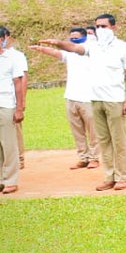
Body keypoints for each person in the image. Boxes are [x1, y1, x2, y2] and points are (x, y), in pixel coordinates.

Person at [41, 14, 126, 190]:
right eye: (97, 26)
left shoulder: (124, 47)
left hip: (114, 100)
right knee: (103, 140)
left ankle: (123, 176)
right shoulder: (93, 46)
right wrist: (58, 43)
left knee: (118, 140)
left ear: (114, 27)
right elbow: (74, 48)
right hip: (95, 99)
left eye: (104, 26)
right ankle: (109, 176)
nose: (100, 30)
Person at [30, 27, 99, 170]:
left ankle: (94, 157)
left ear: (85, 37)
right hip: (71, 96)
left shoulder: (91, 49)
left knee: (92, 130)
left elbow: (70, 47)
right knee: (77, 130)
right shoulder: (70, 54)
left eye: (77, 37)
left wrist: (57, 42)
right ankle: (83, 157)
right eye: (71, 37)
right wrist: (40, 49)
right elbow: (56, 53)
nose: (73, 39)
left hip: (88, 97)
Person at [0, 26, 27, 195]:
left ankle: (10, 180)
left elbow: (18, 83)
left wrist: (19, 108)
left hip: (6, 104)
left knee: (8, 144)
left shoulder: (13, 57)